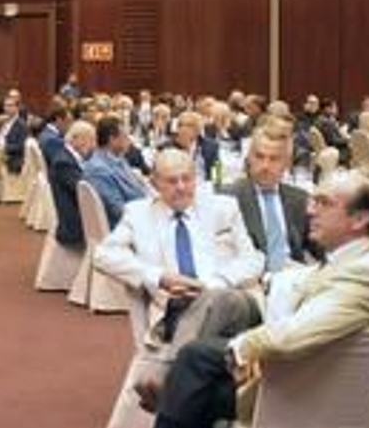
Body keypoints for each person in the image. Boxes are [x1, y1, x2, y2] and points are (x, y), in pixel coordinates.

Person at [84, 171, 369, 428]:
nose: (310, 210)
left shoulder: (364, 272)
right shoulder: (355, 259)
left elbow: (292, 336)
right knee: (196, 374)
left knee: (195, 364)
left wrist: (239, 349)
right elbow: (307, 300)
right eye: (314, 200)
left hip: (319, 400)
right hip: (312, 380)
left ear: (359, 219)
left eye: (324, 203)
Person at [93, 149, 263, 353]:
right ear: (154, 184)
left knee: (229, 303)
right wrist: (160, 277)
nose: (181, 187)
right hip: (174, 307)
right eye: (172, 181)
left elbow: (252, 259)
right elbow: (103, 255)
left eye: (187, 179)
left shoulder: (223, 208)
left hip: (224, 296)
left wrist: (214, 284)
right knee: (215, 347)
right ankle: (189, 363)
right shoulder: (138, 214)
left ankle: (177, 364)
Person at [224, 127, 317, 274]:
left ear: (286, 163)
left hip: (294, 278)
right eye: (259, 157)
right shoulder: (229, 197)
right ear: (249, 159)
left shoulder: (300, 199)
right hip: (251, 281)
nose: (265, 166)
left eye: (274, 159)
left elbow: (321, 246)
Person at [83, 116, 148, 228]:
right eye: (125, 136)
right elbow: (118, 210)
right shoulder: (98, 170)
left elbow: (135, 186)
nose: (129, 140)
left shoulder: (117, 157)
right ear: (112, 139)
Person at [49, 120, 95, 250]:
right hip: (75, 226)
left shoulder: (70, 156)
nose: (93, 146)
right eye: (91, 140)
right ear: (77, 139)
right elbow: (86, 193)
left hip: (78, 217)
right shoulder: (64, 163)